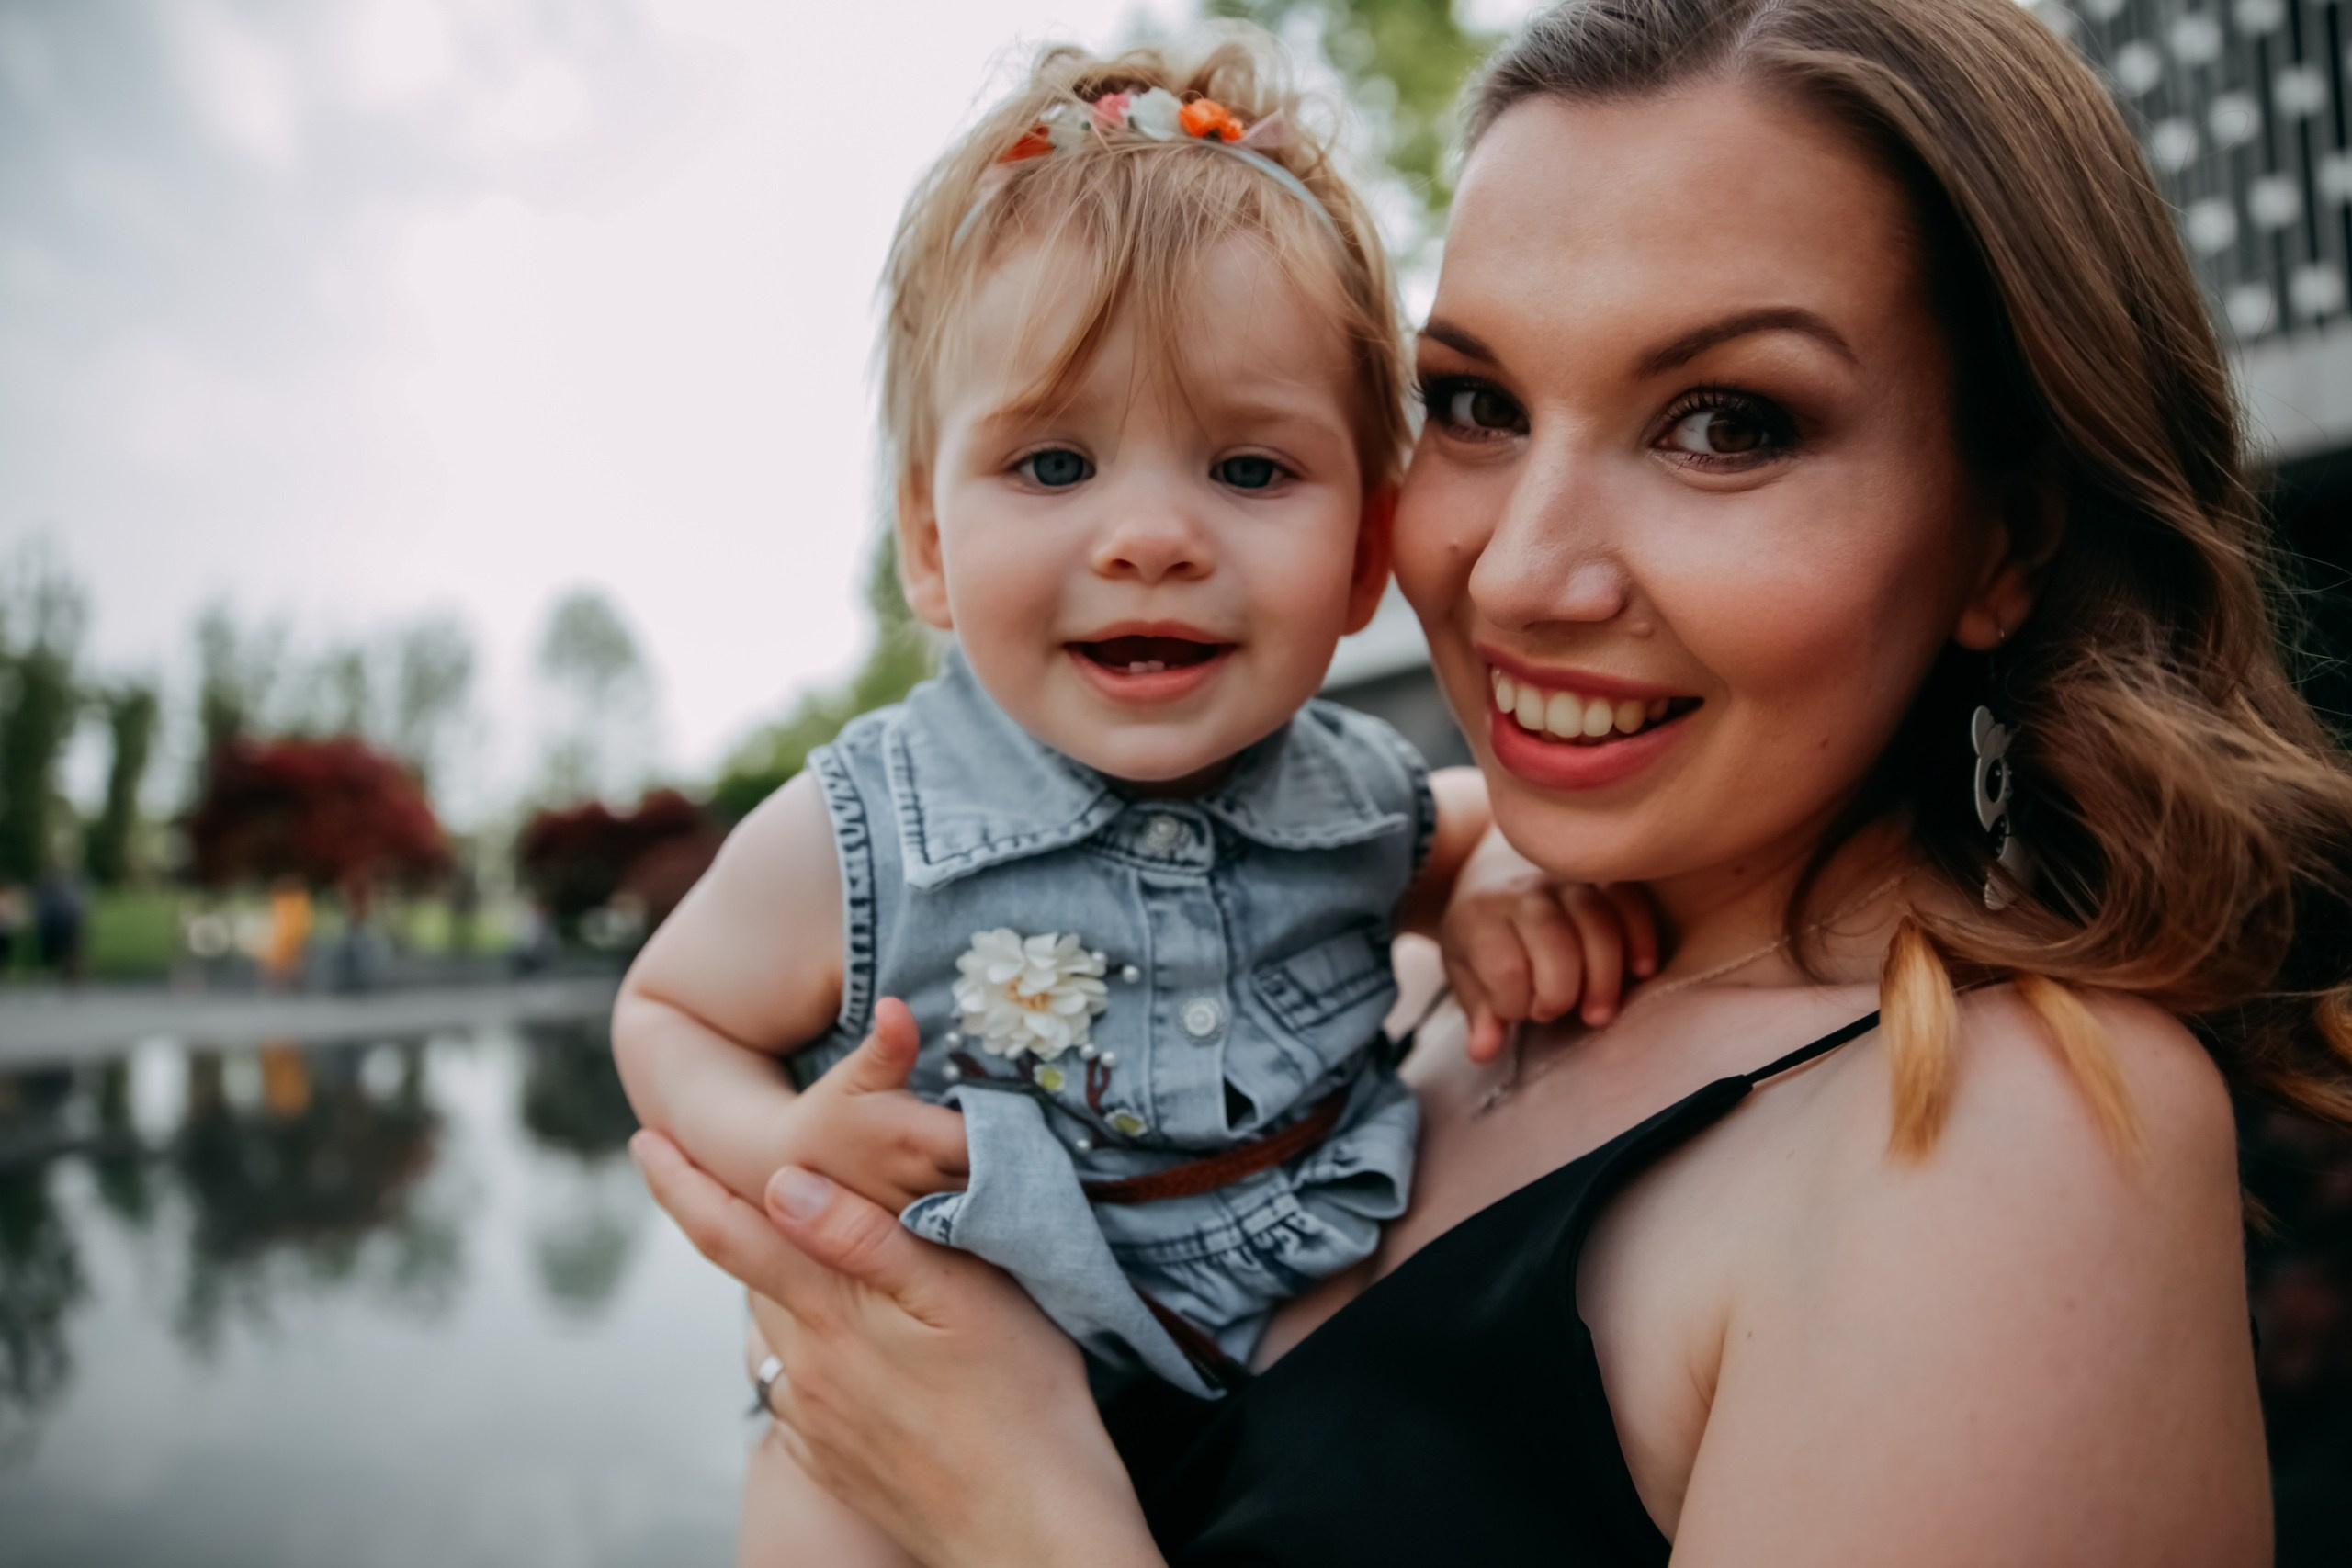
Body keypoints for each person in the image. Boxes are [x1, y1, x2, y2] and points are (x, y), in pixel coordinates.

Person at [632, 1, 2352, 1562]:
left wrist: (1021, 1514)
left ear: (2008, 535)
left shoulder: (2002, 1142)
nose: (1522, 572)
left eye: (1728, 424)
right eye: (1475, 403)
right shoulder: (1391, 968)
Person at [611, 32, 1645, 1567]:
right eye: (1053, 464)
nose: (1151, 536)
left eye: (1245, 468)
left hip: (1275, 1326)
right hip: (938, 1351)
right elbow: (666, 1015)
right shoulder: (866, 830)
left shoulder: (1353, 796)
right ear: (930, 548)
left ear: (1366, 554)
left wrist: (1491, 887)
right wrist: (776, 1147)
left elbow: (1472, 828)